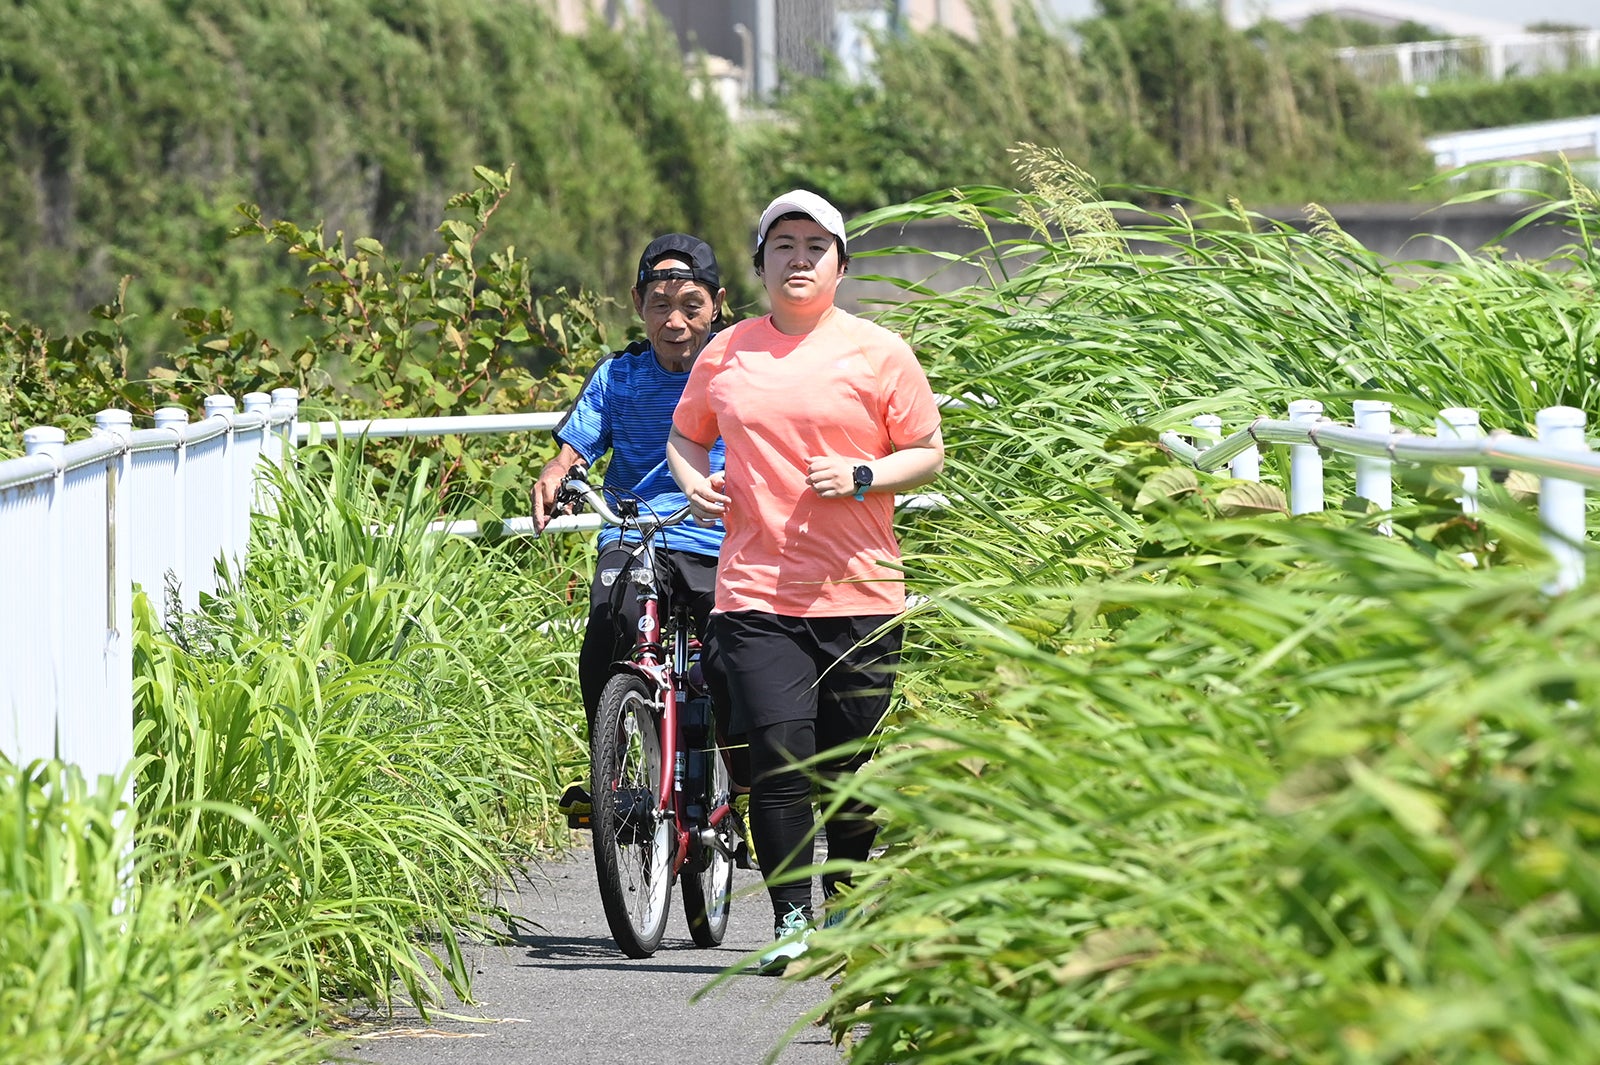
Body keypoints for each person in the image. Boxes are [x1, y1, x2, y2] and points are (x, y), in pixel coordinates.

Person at [666, 190, 944, 971]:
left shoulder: (879, 351)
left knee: (846, 765)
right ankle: (792, 921)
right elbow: (686, 436)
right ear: (760, 264)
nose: (798, 259)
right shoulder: (728, 352)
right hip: (756, 591)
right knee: (780, 757)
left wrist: (864, 473)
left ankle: (847, 909)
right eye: (782, 245)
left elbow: (925, 449)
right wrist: (693, 482)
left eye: (814, 246)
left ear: (841, 264)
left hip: (861, 590)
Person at [533, 233, 746, 836]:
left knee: (736, 662)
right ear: (637, 303)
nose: (674, 321)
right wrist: (556, 472)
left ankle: (747, 787)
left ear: (717, 303)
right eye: (659, 304)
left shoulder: (740, 371)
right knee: (606, 628)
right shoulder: (618, 377)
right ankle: (613, 777)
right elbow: (575, 449)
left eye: (691, 304)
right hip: (635, 531)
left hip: (717, 536)